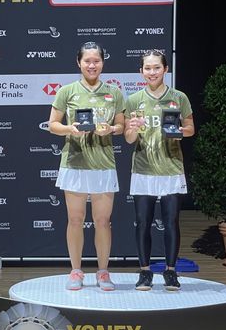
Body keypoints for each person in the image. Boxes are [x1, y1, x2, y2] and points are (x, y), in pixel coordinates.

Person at [48, 42, 125, 291]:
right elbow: (52, 125)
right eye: (87, 61)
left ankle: (103, 273)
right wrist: (70, 128)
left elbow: (121, 126)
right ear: (78, 63)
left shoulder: (114, 92)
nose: (92, 65)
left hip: (103, 164)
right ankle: (76, 271)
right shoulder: (66, 91)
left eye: (96, 61)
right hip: (74, 162)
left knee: (103, 221)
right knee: (75, 219)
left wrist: (111, 129)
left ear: (103, 62)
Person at [124, 50, 195, 291]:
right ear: (141, 71)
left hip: (171, 168)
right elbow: (128, 138)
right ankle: (145, 273)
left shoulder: (179, 97)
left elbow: (190, 129)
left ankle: (171, 272)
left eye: (156, 68)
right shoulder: (133, 100)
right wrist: (132, 128)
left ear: (166, 70)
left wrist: (176, 131)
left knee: (171, 221)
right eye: (147, 68)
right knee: (142, 222)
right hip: (143, 168)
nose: (152, 72)